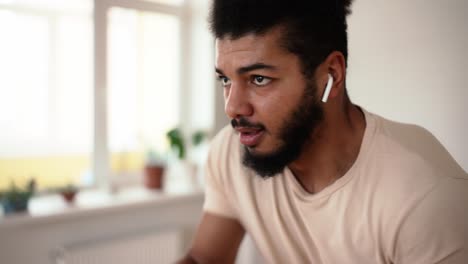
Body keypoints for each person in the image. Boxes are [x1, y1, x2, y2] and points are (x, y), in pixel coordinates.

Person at [178, 0, 468, 263]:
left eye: (259, 79)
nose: (232, 108)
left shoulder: (426, 197)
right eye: (225, 79)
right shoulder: (232, 151)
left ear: (332, 74)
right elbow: (205, 259)